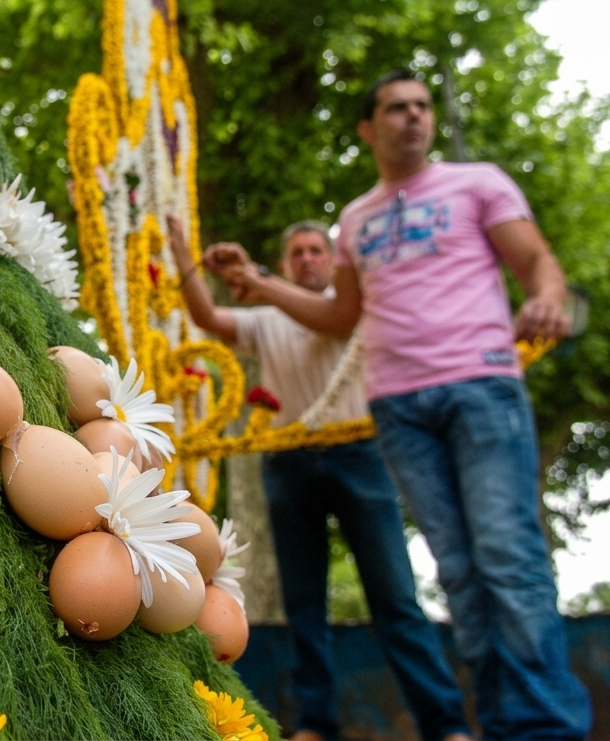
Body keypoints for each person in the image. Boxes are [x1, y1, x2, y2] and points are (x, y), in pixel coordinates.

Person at [212, 69, 592, 740]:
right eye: (396, 108)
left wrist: (549, 298)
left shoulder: (477, 182)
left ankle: (544, 726)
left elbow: (536, 260)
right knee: (458, 572)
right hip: (399, 410)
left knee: (506, 555)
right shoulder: (354, 220)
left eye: (421, 105)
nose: (413, 116)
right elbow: (338, 316)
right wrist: (259, 286)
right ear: (368, 128)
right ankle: (502, 724)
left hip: (480, 387)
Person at [167, 215, 471, 741]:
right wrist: (181, 254)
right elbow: (207, 316)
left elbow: (334, 321)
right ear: (287, 263)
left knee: (395, 597)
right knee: (303, 602)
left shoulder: (354, 308)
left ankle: (444, 725)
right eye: (299, 252)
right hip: (287, 460)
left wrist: (253, 276)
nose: (308, 258)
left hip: (360, 454)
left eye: (315, 250)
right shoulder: (265, 317)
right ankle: (316, 725)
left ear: (331, 261)